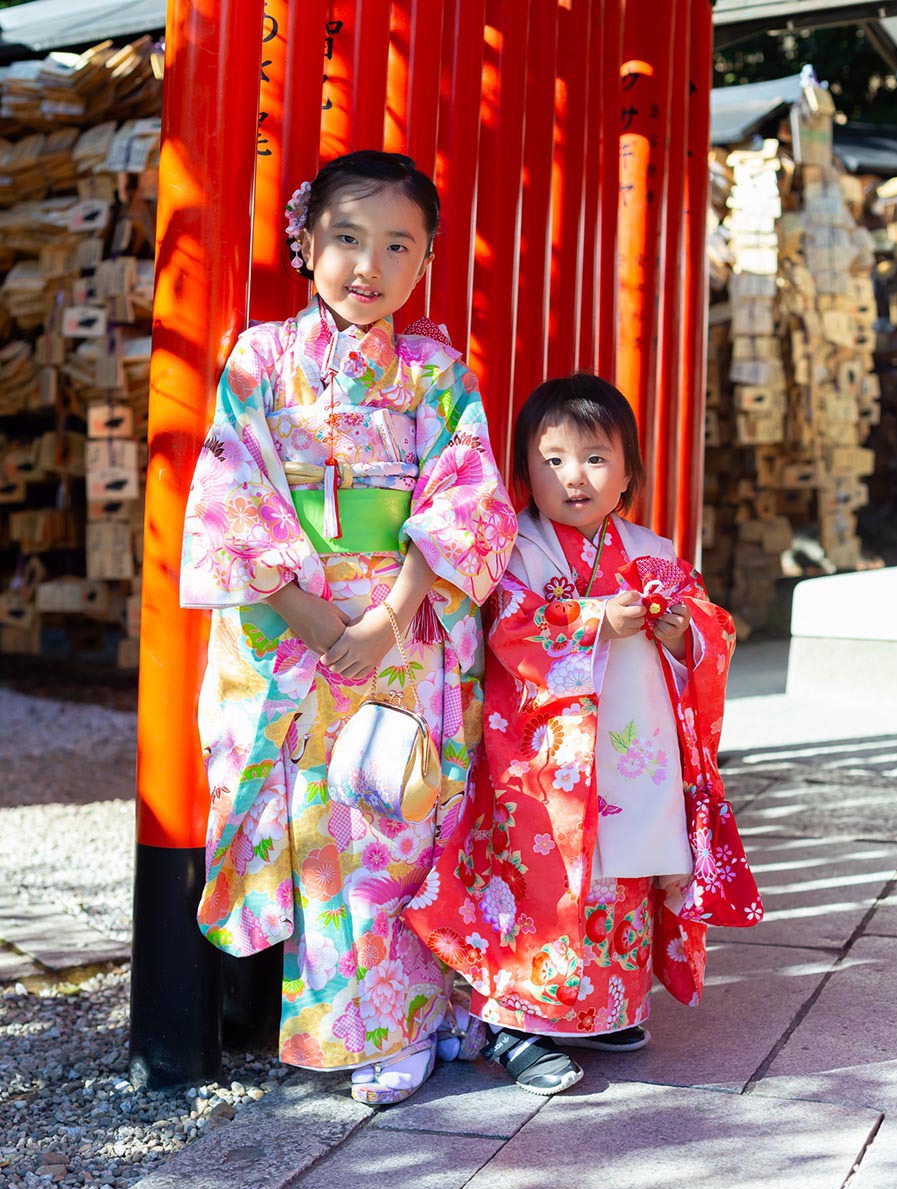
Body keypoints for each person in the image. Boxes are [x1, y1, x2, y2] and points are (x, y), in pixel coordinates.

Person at [180, 150, 516, 1106]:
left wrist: (385, 616)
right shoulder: (260, 359)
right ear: (307, 242)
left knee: (399, 817)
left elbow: (467, 506)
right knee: (322, 833)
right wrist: (317, 617)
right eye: (348, 238)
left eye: (397, 245)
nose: (369, 264)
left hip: (400, 628)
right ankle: (365, 1025)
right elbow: (232, 495)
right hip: (295, 625)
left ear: (425, 260)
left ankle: (422, 1014)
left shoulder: (437, 372)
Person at [405, 373, 763, 1095]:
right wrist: (596, 619)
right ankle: (518, 1025)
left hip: (630, 762)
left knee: (621, 877)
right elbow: (509, 631)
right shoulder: (520, 552)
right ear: (522, 472)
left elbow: (711, 630)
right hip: (540, 765)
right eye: (554, 458)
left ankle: (607, 1008)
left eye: (597, 458)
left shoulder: (649, 548)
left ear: (629, 471)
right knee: (543, 887)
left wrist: (681, 628)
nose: (575, 476)